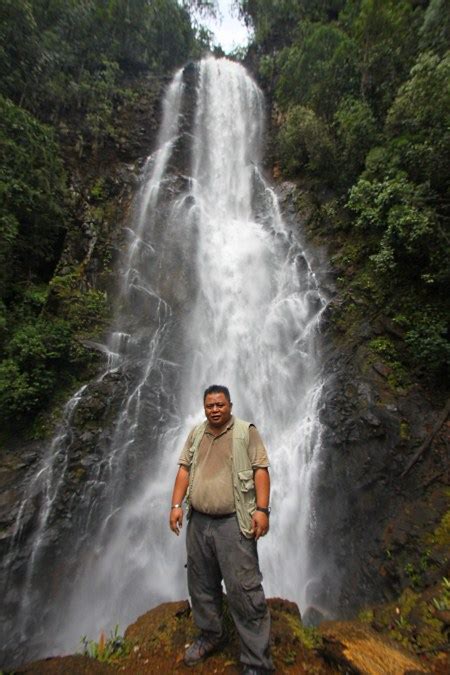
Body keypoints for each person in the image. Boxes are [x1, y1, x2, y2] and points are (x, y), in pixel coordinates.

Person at [169, 384, 274, 675]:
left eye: (220, 405)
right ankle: (211, 635)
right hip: (199, 522)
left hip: (233, 522)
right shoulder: (197, 433)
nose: (215, 410)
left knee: (243, 589)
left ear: (230, 405)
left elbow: (261, 470)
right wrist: (175, 505)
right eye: (210, 405)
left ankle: (256, 661)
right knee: (201, 584)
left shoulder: (245, 432)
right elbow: (184, 469)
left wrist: (262, 511)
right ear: (204, 407)